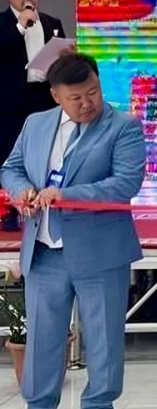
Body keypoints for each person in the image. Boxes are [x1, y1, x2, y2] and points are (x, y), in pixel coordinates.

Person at [0, 52, 144, 409]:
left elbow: (125, 183)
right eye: (75, 97)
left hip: (101, 254)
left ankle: (98, 404)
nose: (87, 103)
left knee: (104, 344)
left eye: (93, 92)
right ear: (56, 95)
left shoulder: (123, 126)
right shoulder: (36, 124)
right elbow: (11, 168)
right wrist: (23, 191)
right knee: (42, 343)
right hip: (44, 254)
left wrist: (68, 195)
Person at [0, 0, 68, 231]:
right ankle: (8, 210)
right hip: (10, 101)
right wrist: (20, 27)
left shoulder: (51, 22)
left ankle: (43, 203)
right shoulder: (3, 23)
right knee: (9, 153)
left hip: (43, 97)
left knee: (43, 150)